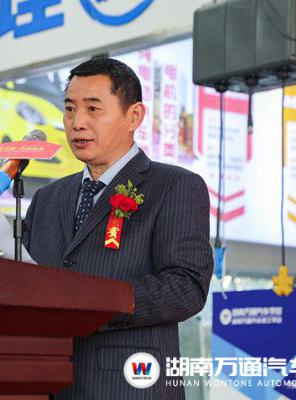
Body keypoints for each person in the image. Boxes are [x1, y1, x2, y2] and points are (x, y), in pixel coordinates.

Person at [23, 57, 213, 400]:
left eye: (93, 109)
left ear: (134, 116)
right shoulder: (47, 198)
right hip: (43, 384)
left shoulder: (175, 186)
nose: (77, 122)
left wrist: (88, 304)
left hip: (128, 386)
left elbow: (186, 287)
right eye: (70, 109)